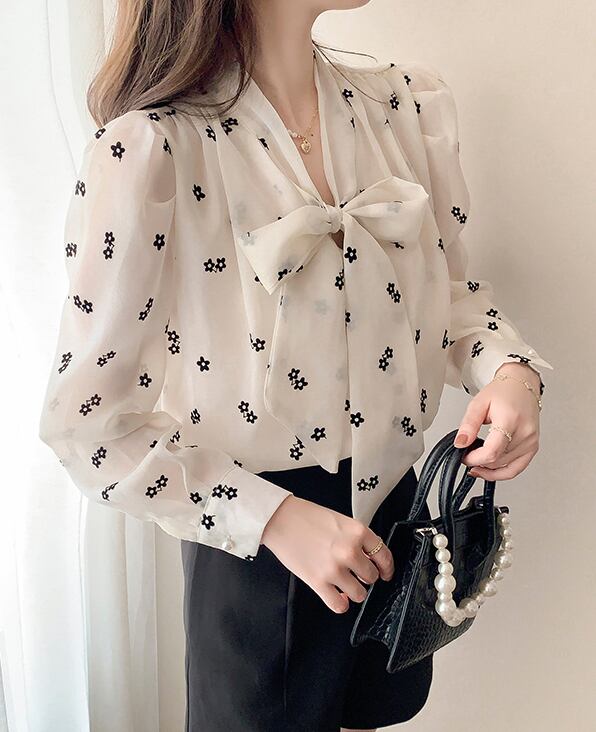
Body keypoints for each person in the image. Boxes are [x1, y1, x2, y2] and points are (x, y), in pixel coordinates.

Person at [38, 1, 553, 730]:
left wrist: (509, 373)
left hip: (398, 524)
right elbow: (87, 425)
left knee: (380, 710)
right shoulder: (152, 149)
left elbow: (452, 296)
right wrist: (274, 519)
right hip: (253, 548)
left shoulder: (404, 107)